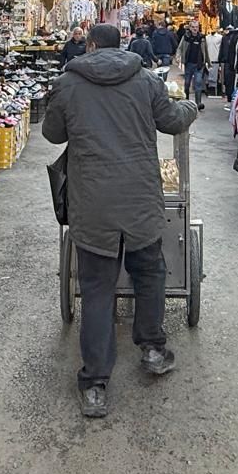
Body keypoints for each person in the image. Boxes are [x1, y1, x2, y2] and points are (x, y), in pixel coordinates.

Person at [43, 23, 197, 418]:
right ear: (122, 45)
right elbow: (172, 120)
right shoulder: (146, 80)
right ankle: (152, 349)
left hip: (92, 201)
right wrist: (191, 107)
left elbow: (51, 133)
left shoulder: (68, 82)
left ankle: (95, 384)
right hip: (140, 198)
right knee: (150, 272)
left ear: (90, 46)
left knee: (96, 289)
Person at [179, 20, 207, 109]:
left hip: (199, 64)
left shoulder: (202, 37)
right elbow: (180, 47)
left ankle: (198, 103)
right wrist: (178, 57)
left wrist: (207, 62)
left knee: (198, 82)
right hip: (189, 63)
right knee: (187, 83)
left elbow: (205, 50)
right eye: (193, 27)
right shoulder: (186, 37)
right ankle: (186, 100)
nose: (195, 29)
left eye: (197, 27)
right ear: (190, 28)